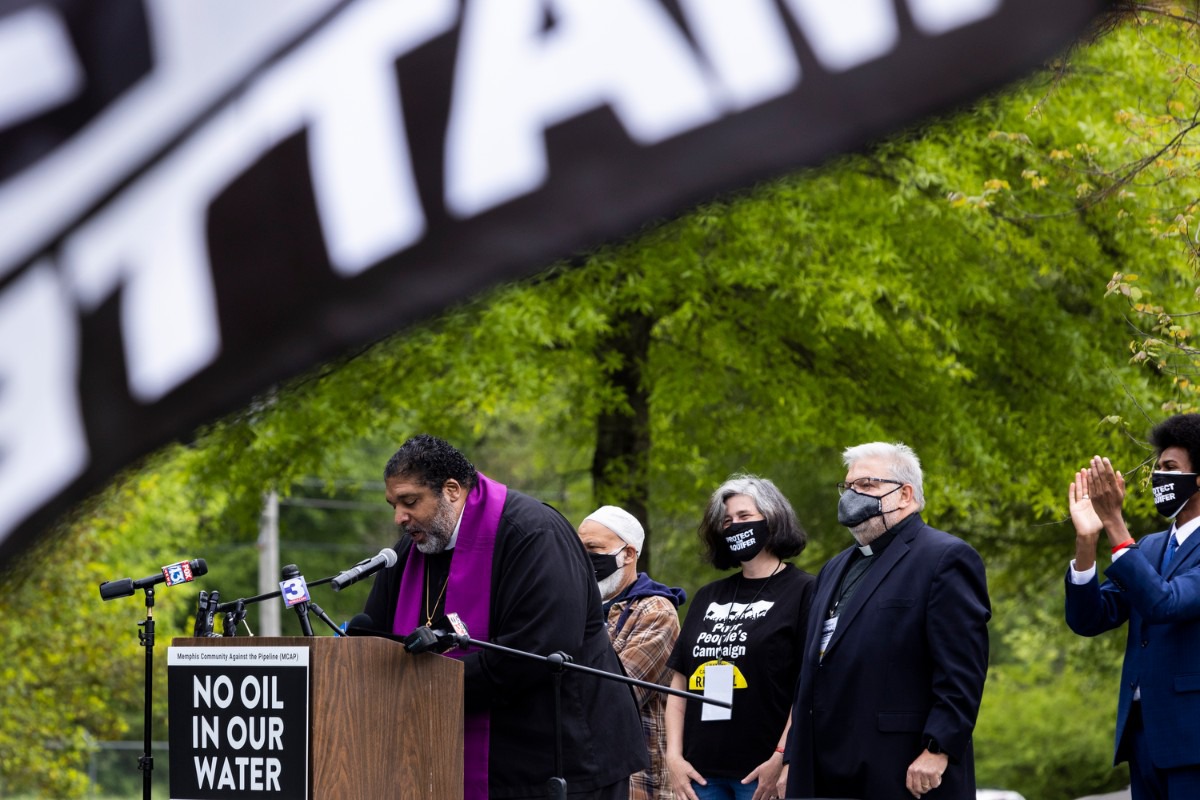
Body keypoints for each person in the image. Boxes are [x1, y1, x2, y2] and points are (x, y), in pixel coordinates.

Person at [362, 434, 648, 800]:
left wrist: (425, 689)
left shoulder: (531, 532)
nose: (400, 517)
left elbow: (538, 648)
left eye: (410, 501)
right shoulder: (412, 551)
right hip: (469, 761)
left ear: (451, 490)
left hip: (565, 758)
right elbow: (373, 637)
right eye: (393, 504)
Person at [782, 441, 990, 800]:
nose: (852, 495)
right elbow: (812, 670)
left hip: (900, 767)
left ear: (905, 495)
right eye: (848, 486)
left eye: (867, 485)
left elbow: (963, 669)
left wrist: (939, 747)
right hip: (822, 770)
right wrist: (792, 759)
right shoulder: (833, 569)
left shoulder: (944, 558)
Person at [1064, 413, 1200, 799]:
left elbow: (1165, 603)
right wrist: (1087, 542)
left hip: (1193, 740)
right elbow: (1089, 619)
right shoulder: (1151, 547)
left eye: (1170, 468)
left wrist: (1114, 523)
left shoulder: (1132, 545)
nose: (1159, 479)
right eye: (1158, 469)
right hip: (1142, 737)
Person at [664, 474, 814, 800]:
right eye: (727, 520)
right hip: (700, 774)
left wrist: (782, 756)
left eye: (745, 516)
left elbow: (809, 685)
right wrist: (673, 758)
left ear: (773, 518)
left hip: (761, 772)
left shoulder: (806, 591)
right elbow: (679, 684)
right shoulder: (707, 596)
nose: (734, 526)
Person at [579, 505, 688, 800]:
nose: (585, 558)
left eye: (594, 548)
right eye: (579, 549)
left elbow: (617, 693)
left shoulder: (656, 611)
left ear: (628, 554)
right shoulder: (577, 608)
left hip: (637, 784)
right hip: (584, 774)